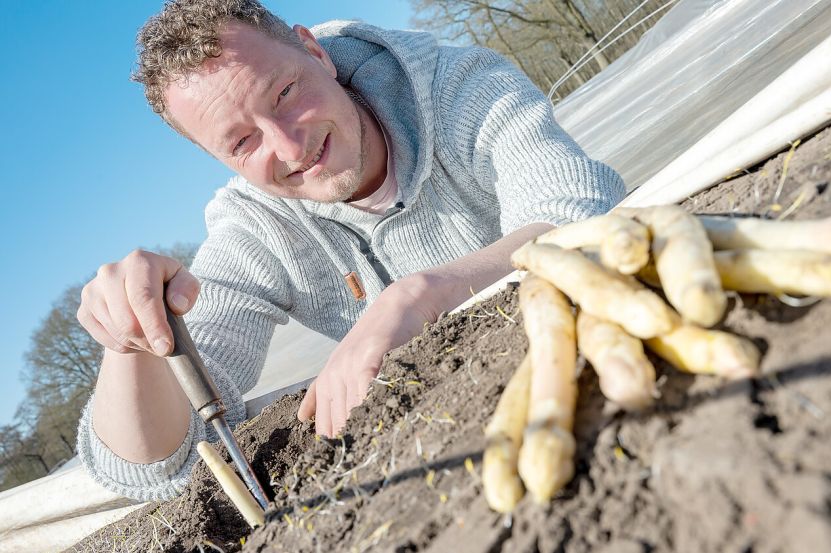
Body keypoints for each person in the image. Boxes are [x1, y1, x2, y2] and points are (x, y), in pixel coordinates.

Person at [76, 0, 625, 501]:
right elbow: (155, 462)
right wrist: (133, 339)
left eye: (285, 93)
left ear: (315, 52)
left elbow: (580, 213)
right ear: (218, 159)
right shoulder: (255, 228)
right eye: (243, 142)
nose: (290, 146)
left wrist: (422, 294)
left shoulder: (458, 88)